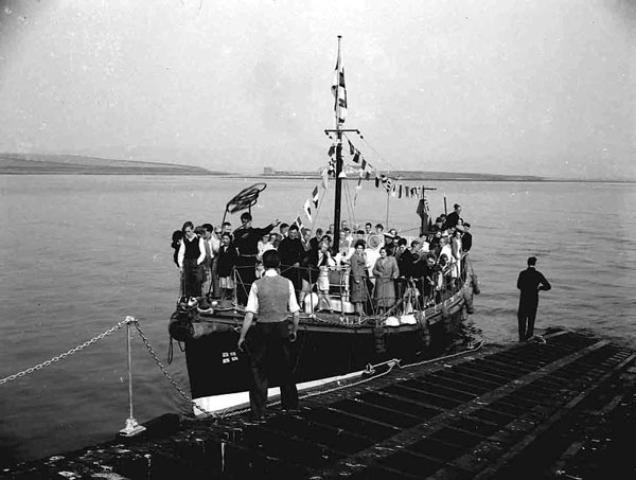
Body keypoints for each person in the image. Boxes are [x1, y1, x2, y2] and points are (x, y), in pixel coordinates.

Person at [237, 250, 300, 422]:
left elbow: (250, 313)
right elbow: (295, 312)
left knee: (259, 370)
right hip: (281, 328)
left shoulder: (257, 285)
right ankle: (290, 405)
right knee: (285, 368)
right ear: (279, 264)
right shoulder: (287, 283)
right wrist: (293, 330)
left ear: (263, 265)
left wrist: (242, 336)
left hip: (263, 328)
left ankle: (258, 412)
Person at [233, 213, 279, 305]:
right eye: (243, 221)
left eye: (246, 221)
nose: (244, 223)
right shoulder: (238, 233)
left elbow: (264, 231)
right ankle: (240, 302)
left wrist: (272, 225)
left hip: (252, 260)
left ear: (250, 221)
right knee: (240, 282)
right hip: (242, 259)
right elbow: (235, 245)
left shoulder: (255, 231)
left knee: (250, 281)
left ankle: (249, 302)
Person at [517, 256, 551, 342]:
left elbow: (519, 286)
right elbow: (548, 286)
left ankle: (521, 339)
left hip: (524, 299)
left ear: (527, 263)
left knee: (522, 319)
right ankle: (529, 337)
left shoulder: (522, 273)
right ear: (535, 264)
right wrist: (539, 288)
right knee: (531, 319)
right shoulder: (538, 274)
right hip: (533, 299)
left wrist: (525, 288)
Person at [177, 221, 206, 299]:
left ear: (193, 230)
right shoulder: (184, 240)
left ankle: (197, 298)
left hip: (196, 262)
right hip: (187, 262)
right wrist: (180, 265)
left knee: (198, 280)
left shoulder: (199, 239)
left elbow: (203, 253)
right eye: (186, 232)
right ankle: (188, 298)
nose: (187, 233)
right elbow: (181, 253)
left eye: (189, 231)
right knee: (187, 281)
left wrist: (198, 262)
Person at [372, 247, 400, 313]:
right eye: (381, 252)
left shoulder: (392, 259)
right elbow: (374, 270)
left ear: (386, 253)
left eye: (383, 252)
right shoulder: (378, 260)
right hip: (380, 282)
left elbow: (396, 269)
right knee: (380, 300)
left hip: (389, 281)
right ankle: (380, 313)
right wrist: (378, 273)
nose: (382, 254)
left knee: (389, 299)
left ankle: (388, 313)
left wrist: (394, 275)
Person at [349, 240, 369, 317]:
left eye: (361, 248)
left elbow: (365, 264)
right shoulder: (354, 256)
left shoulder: (362, 256)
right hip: (357, 276)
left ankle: (361, 310)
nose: (359, 249)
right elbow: (354, 267)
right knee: (357, 294)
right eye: (358, 248)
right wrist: (356, 278)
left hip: (362, 276)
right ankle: (358, 311)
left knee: (362, 294)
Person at [217, 232, 238, 300]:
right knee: (223, 286)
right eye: (224, 238)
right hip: (222, 271)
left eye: (227, 238)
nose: (225, 240)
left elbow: (235, 259)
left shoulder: (232, 248)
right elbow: (219, 260)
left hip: (229, 271)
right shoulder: (221, 248)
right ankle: (223, 299)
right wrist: (218, 271)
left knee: (230, 286)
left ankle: (231, 299)